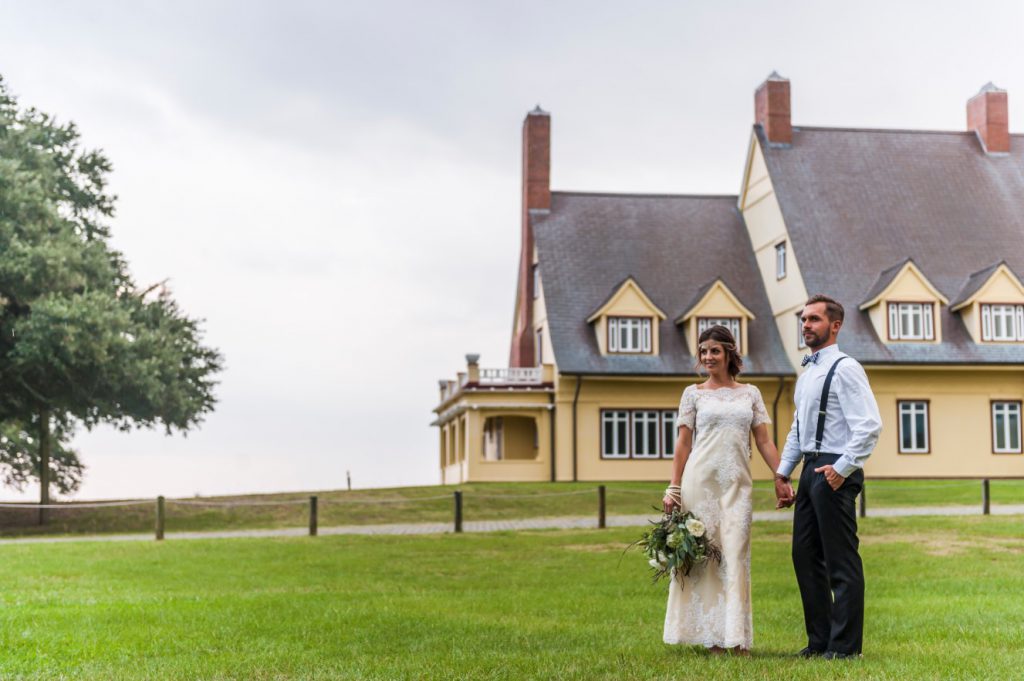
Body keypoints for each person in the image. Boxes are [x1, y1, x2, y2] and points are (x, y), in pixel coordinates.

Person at [661, 324, 790, 654]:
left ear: (730, 353)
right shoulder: (693, 394)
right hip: (699, 484)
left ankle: (737, 637)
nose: (708, 357)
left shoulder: (751, 393)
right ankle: (712, 637)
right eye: (703, 351)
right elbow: (683, 443)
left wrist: (782, 476)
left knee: (735, 555)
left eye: (714, 350)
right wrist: (673, 489)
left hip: (737, 486)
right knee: (706, 559)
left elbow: (764, 441)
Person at [775, 294, 882, 660]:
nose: (806, 325)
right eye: (804, 319)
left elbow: (869, 425)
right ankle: (819, 641)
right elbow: (797, 429)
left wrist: (843, 467)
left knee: (841, 560)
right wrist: (783, 471)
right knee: (804, 556)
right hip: (810, 469)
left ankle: (845, 648)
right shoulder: (806, 375)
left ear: (834, 325)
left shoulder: (847, 368)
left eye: (814, 319)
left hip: (836, 469)